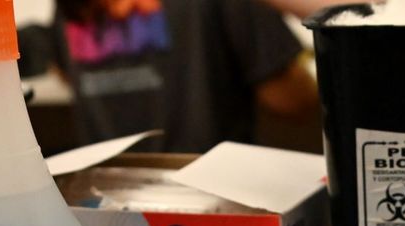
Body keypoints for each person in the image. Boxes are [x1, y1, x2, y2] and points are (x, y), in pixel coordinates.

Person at [54, 0, 318, 152]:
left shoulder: (69, 7)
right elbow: (291, 99)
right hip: (208, 204)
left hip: (104, 202)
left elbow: (63, 71)